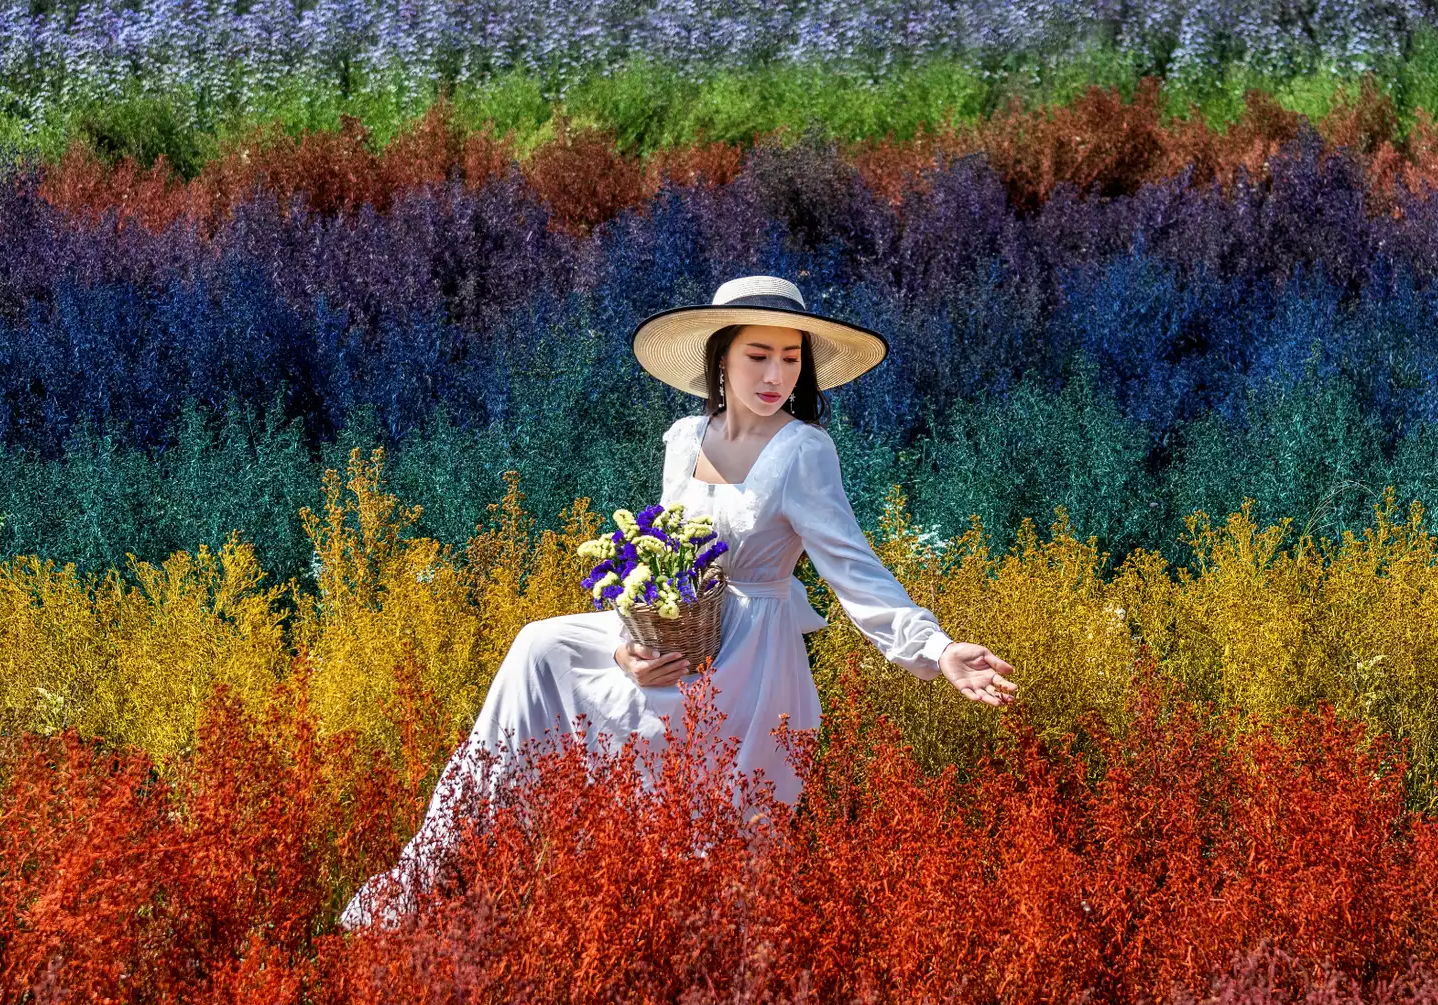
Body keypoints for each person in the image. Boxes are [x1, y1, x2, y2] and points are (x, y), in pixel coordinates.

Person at [340, 274, 1017, 929]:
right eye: (758, 354)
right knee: (536, 648)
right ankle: (433, 870)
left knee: (711, 849)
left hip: (749, 662)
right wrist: (629, 646)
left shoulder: (804, 451)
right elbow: (660, 559)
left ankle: (689, 954)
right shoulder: (686, 440)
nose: (774, 375)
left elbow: (853, 569)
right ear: (721, 357)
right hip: (679, 638)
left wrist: (937, 647)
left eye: (789, 357)